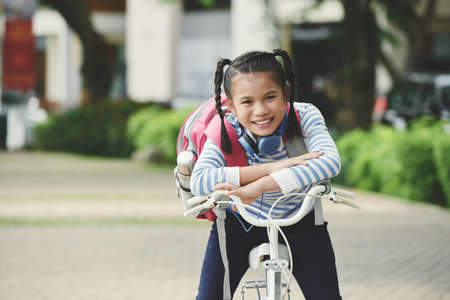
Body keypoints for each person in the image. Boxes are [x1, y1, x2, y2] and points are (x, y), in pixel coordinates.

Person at [190, 49, 342, 300]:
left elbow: (329, 161)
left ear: (286, 93)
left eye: (270, 97)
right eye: (247, 102)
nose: (260, 110)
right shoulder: (223, 127)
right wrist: (271, 167)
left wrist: (260, 186)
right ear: (230, 105)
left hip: (301, 221)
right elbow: (200, 180)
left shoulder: (305, 116)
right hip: (237, 222)